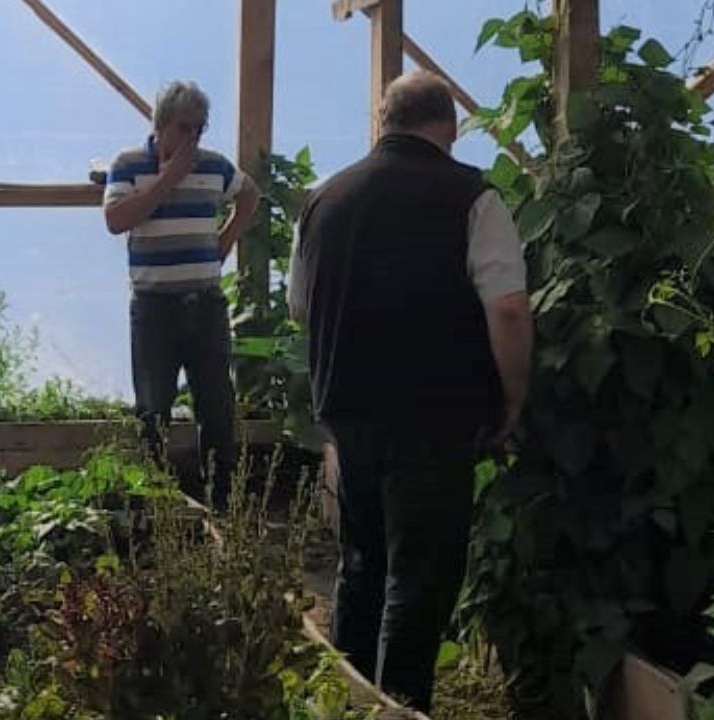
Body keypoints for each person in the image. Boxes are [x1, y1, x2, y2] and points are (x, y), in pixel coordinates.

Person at [288, 71, 533, 711]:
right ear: (448, 128)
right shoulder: (472, 198)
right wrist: (512, 398)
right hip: (436, 416)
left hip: (348, 410)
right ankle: (400, 707)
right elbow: (507, 310)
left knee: (360, 565)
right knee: (418, 581)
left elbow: (298, 307)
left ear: (382, 123)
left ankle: (345, 699)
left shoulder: (323, 199)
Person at [103, 80, 259, 505]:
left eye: (200, 129)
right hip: (154, 307)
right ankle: (156, 503)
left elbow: (249, 195)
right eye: (184, 127)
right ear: (161, 125)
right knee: (153, 407)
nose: (192, 138)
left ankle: (222, 499)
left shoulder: (214, 166)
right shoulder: (129, 163)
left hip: (204, 304)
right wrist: (168, 178)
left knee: (216, 404)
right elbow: (116, 220)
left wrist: (223, 244)